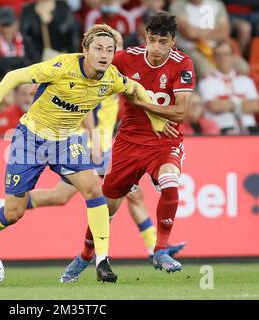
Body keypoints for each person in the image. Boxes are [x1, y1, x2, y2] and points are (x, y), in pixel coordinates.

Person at [0, 24, 168, 283]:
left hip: (65, 141)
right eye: (98, 48)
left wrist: (155, 119)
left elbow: (135, 89)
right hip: (30, 139)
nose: (104, 54)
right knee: (14, 212)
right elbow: (12, 77)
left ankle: (102, 260)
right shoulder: (61, 66)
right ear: (85, 50)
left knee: (94, 190)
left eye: (110, 50)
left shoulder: (111, 78)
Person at [60, 12, 195, 281]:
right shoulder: (126, 58)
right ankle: (85, 256)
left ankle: (160, 250)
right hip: (129, 141)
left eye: (163, 42)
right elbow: (88, 64)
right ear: (145, 37)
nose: (156, 48)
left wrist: (141, 103)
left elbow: (180, 113)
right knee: (106, 206)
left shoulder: (183, 64)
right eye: (152, 40)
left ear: (173, 41)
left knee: (170, 183)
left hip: (164, 142)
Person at [199, 41, 259, 135]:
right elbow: (213, 106)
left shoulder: (245, 80)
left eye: (226, 54)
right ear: (214, 58)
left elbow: (255, 106)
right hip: (221, 128)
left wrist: (226, 104)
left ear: (232, 56)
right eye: (218, 55)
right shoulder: (207, 81)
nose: (222, 58)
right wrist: (241, 102)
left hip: (249, 128)